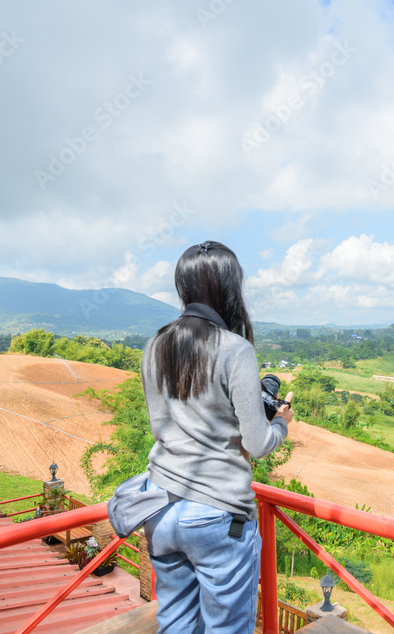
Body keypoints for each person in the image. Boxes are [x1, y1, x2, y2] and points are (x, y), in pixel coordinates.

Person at [141, 241, 294, 633]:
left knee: (175, 622)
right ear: (231, 288)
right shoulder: (235, 349)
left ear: (183, 287)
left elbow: (163, 426)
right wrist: (281, 424)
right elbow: (257, 445)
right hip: (216, 515)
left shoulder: (155, 344)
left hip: (160, 505)